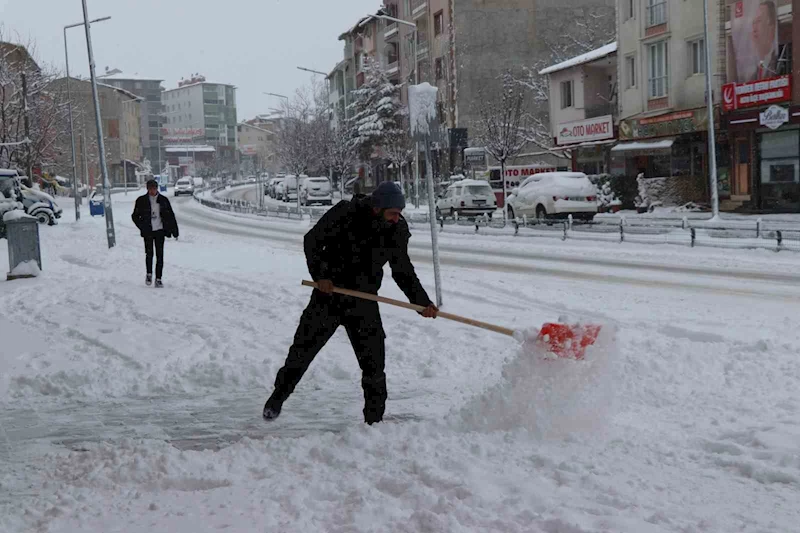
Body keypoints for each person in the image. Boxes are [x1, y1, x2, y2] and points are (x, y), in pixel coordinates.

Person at [263, 182, 438, 425]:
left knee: (374, 364)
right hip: (329, 297)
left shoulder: (396, 230)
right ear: (378, 208)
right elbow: (312, 240)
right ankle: (277, 398)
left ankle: (374, 421)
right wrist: (321, 276)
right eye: (394, 213)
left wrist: (422, 303)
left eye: (400, 213)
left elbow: (402, 270)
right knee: (301, 353)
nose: (398, 218)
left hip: (364, 302)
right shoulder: (345, 213)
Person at [132, 179, 179, 287]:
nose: (152, 191)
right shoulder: (142, 200)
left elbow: (171, 216)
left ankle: (158, 278)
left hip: (160, 231)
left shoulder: (163, 200)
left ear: (157, 188)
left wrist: (174, 231)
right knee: (149, 254)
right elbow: (135, 216)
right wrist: (142, 226)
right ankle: (149, 274)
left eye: (154, 189)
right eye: (150, 189)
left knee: (160, 255)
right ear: (147, 189)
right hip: (148, 231)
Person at [750, 1, 778, 81]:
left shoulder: (779, 60)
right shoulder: (753, 76)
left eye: (759, 21)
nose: (754, 28)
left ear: (771, 27)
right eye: (753, 22)